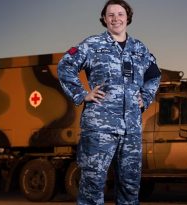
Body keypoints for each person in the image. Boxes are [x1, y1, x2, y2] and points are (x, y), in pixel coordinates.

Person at [57, 0, 161, 204]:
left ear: (127, 17)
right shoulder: (92, 44)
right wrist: (81, 94)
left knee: (130, 187)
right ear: (104, 19)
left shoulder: (139, 48)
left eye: (120, 14)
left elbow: (154, 76)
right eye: (111, 15)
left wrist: (145, 98)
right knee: (93, 184)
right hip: (99, 128)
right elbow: (66, 65)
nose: (116, 19)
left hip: (131, 129)